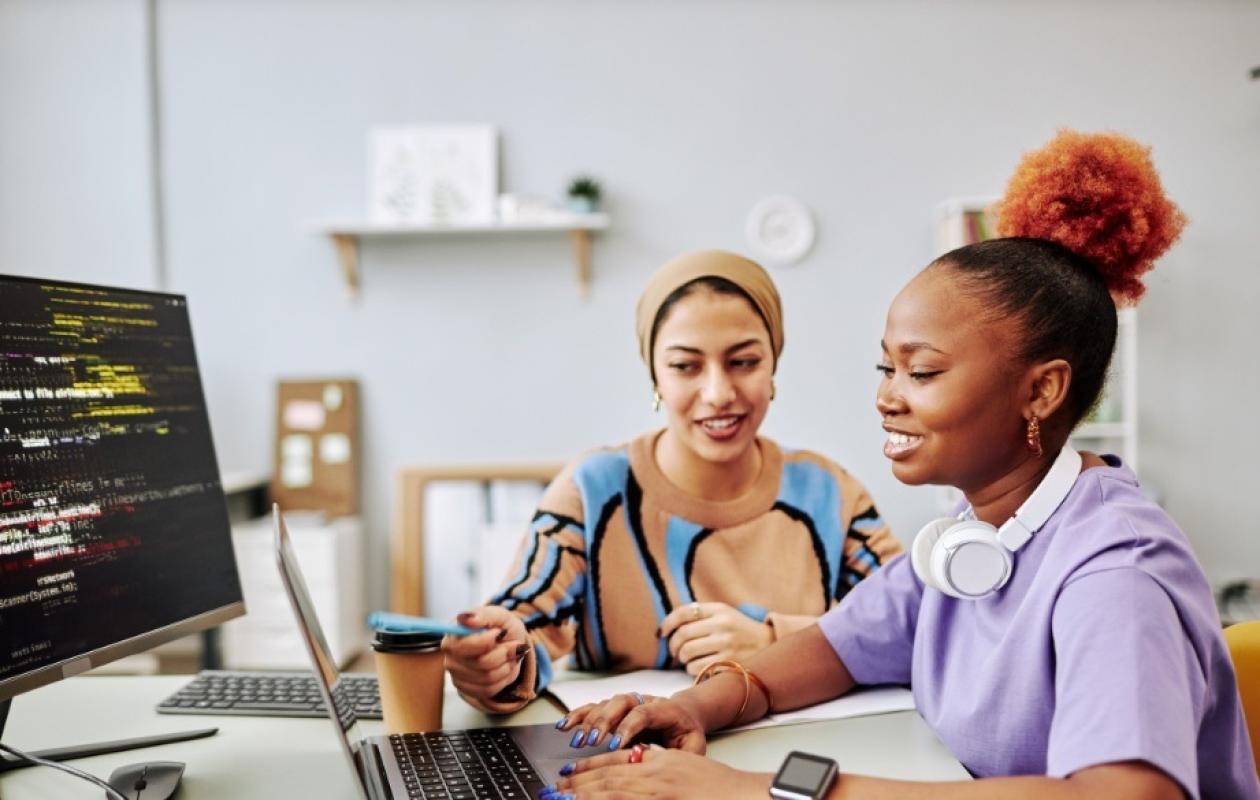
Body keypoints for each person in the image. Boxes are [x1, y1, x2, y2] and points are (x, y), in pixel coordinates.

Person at [544, 131, 1260, 798]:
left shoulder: (1117, 572)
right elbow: (834, 650)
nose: (886, 398)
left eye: (921, 372)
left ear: (1042, 391)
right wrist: (696, 706)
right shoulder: (974, 538)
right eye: (886, 367)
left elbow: (1126, 795)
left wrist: (754, 790)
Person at [442, 249, 902, 714]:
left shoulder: (829, 492)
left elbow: (918, 630)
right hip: (622, 749)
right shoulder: (593, 490)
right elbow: (521, 633)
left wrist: (774, 642)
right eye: (685, 366)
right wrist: (493, 662)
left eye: (744, 361)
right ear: (655, 377)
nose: (718, 393)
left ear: (773, 366)